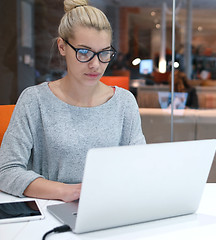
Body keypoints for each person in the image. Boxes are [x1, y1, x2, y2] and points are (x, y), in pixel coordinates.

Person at [0, 0, 145, 202]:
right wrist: (70, 192)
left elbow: (139, 167)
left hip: (109, 206)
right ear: (62, 47)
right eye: (84, 52)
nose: (95, 64)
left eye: (104, 53)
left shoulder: (124, 102)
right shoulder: (35, 100)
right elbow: (7, 171)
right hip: (51, 209)